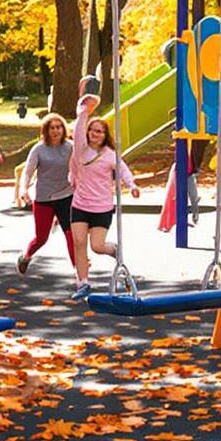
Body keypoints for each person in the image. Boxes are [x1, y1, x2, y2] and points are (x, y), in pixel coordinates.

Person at [67, 96, 138, 297]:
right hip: (80, 204)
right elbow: (78, 131)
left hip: (102, 207)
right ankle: (82, 283)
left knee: (97, 246)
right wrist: (84, 110)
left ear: (105, 135)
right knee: (79, 243)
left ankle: (114, 250)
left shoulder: (109, 154)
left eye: (100, 131)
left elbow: (123, 170)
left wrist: (131, 185)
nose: (95, 134)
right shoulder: (80, 150)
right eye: (92, 130)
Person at [14, 113, 77, 275]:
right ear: (46, 130)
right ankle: (26, 256)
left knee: (72, 235)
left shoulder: (71, 147)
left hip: (66, 196)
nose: (56, 131)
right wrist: (23, 189)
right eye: (52, 128)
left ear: (64, 129)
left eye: (59, 127)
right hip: (44, 197)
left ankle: (79, 274)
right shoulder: (39, 149)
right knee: (42, 238)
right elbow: (27, 172)